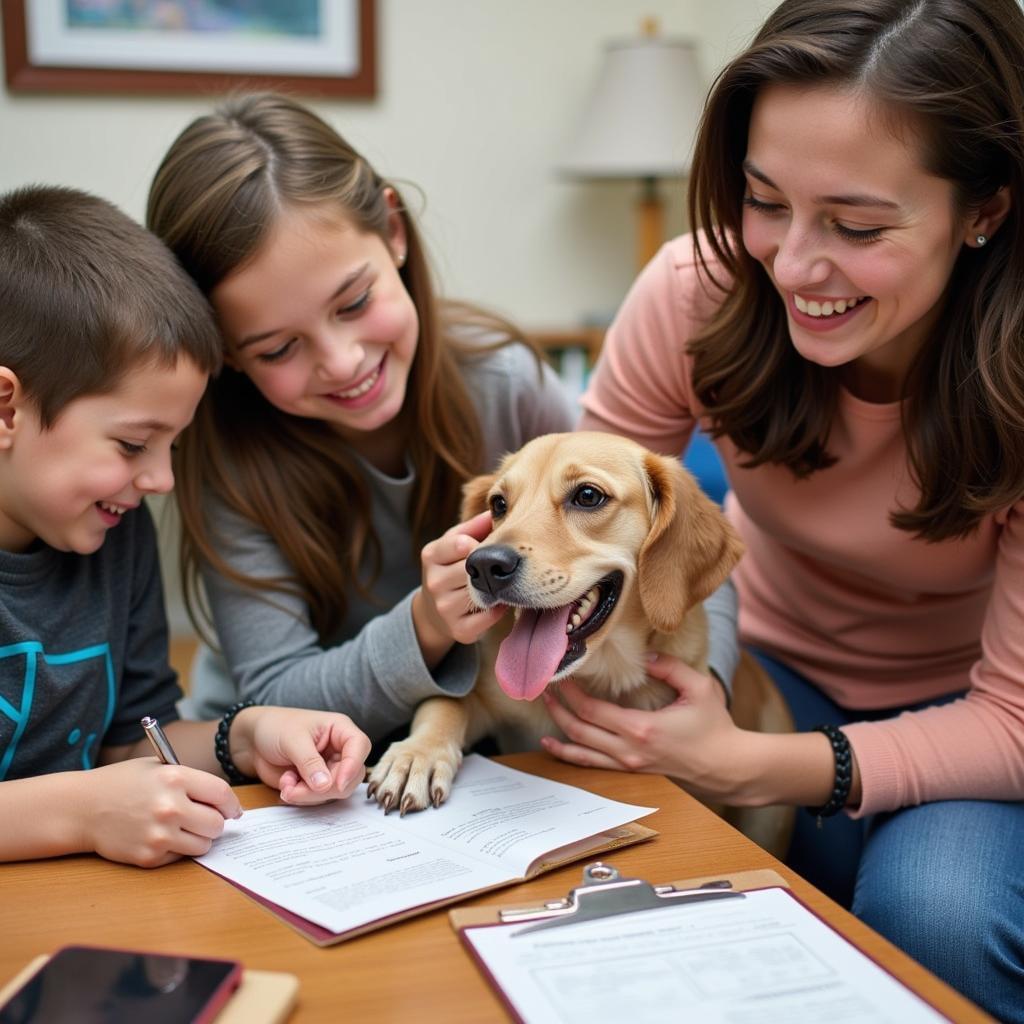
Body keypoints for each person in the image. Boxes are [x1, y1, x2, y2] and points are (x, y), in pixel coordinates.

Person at [537, 0, 1024, 1017]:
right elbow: (581, 525)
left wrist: (747, 762)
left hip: (970, 721)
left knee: (931, 910)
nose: (794, 266)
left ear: (985, 209)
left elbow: (1012, 723)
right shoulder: (694, 292)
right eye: (764, 201)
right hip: (767, 669)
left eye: (853, 225)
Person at [144, 93, 580, 744]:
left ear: (394, 231)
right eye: (278, 348)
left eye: (353, 302)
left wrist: (708, 687)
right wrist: (427, 623)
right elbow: (276, 696)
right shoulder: (228, 465)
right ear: (228, 354)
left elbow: (662, 533)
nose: (343, 362)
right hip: (280, 776)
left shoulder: (507, 384)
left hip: (480, 760)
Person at [0, 185, 371, 868]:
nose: (163, 481)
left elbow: (132, 743)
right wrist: (84, 813)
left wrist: (246, 736)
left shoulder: (115, 532)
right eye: (135, 445)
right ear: (6, 409)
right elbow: (101, 794)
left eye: (173, 445)